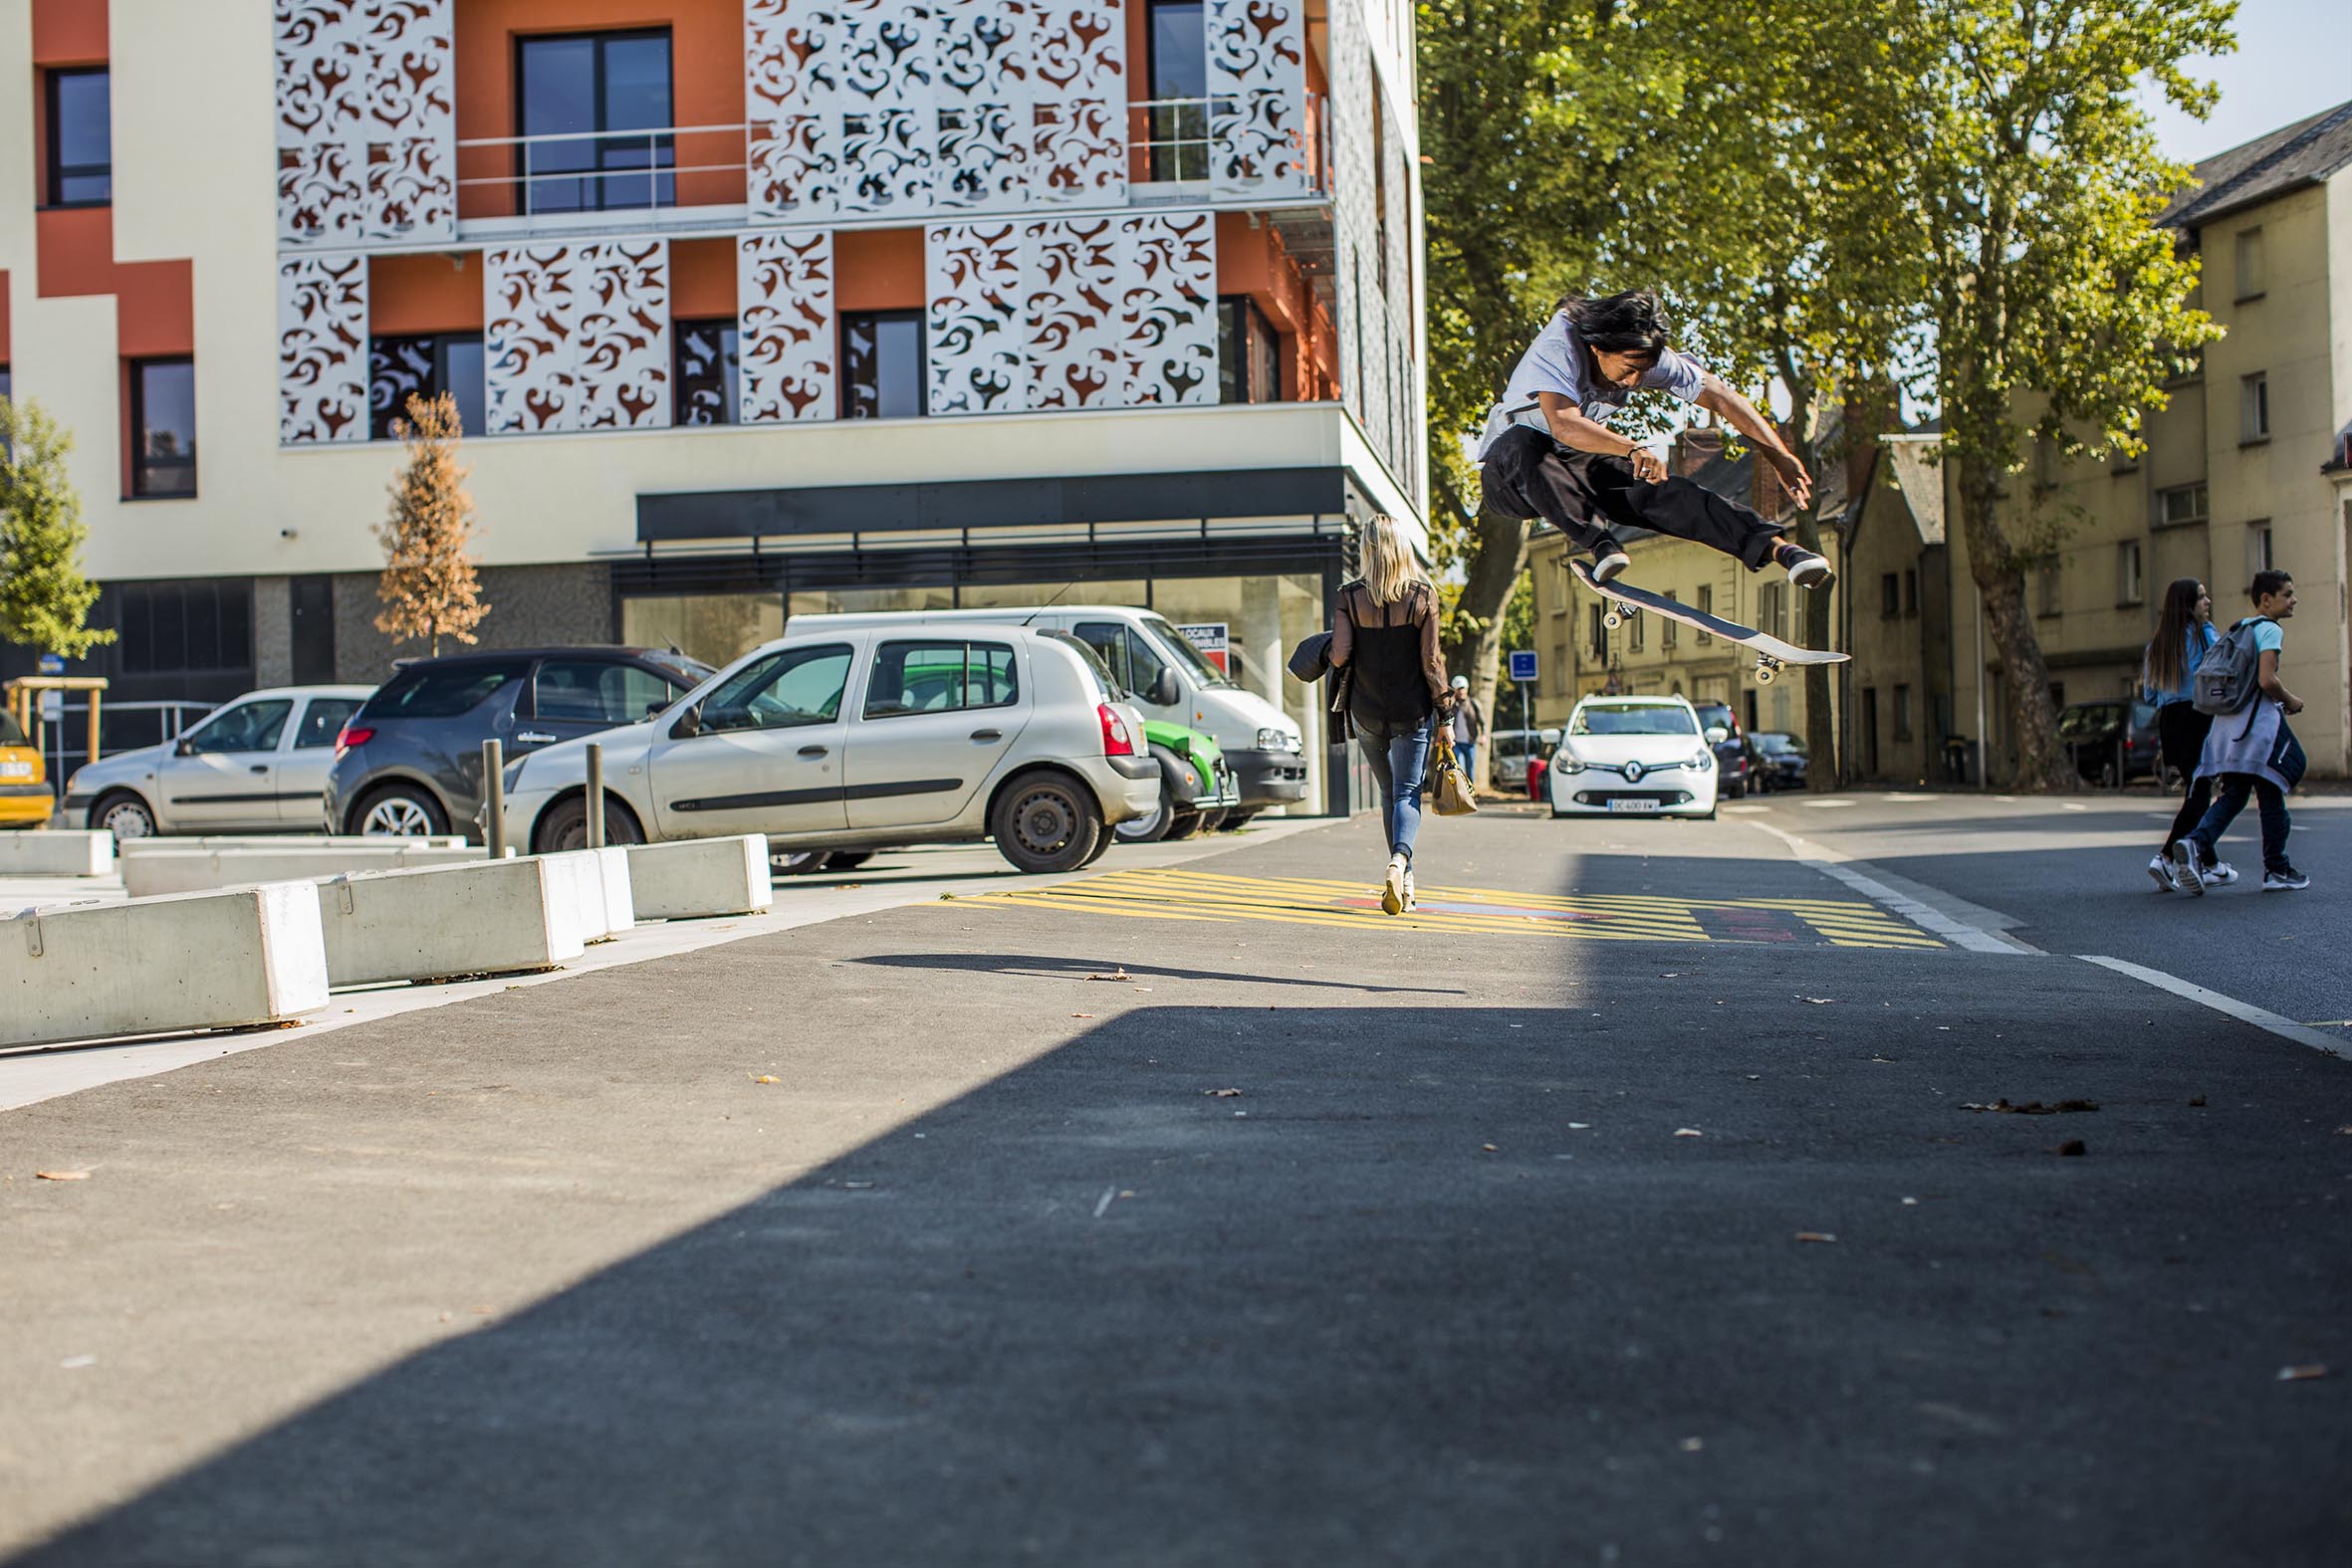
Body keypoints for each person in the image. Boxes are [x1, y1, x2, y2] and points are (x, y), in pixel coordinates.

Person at [1478, 291, 1833, 590]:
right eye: (1628, 370)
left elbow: (1723, 398)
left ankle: (1780, 550)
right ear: (1598, 348)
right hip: (1509, 476)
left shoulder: (1642, 352)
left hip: (1575, 461)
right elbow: (1563, 424)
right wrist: (1631, 448)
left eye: (1642, 373)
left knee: (1662, 490)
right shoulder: (1560, 346)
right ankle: (1600, 544)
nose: (1633, 382)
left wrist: (1780, 455)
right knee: (1526, 444)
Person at [1329, 515, 1455, 915]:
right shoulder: (1422, 596)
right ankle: (1400, 861)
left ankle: (1407, 880)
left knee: (1389, 793)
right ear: (1402, 548)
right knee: (1406, 793)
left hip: (1366, 710)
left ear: (1367, 549)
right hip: (1412, 711)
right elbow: (1432, 662)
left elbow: (1340, 654)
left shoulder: (1349, 596)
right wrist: (1446, 716)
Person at [2173, 570, 2309, 894]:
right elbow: (2266, 680)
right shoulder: (2270, 630)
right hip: (2257, 729)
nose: (2293, 600)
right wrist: (2291, 700)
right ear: (2266, 599)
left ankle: (2194, 843)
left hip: (2227, 729)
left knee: (2234, 795)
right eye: (2287, 594)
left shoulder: (2240, 628)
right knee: (2274, 791)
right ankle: (2277, 869)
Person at [2139, 577, 2227, 891]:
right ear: (2188, 605)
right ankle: (2164, 857)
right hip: (2198, 717)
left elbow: (2149, 695)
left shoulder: (2157, 646)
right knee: (2201, 791)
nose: (2208, 602)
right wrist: (2206, 627)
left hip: (2170, 721)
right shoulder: (2203, 637)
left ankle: (2212, 863)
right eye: (2201, 598)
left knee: (2197, 787)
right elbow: (2222, 666)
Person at [1448, 675, 1486, 785]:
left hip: (1470, 742)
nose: (1461, 691)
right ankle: (1461, 790)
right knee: (1459, 766)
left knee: (1470, 768)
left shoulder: (1473, 704)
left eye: (1463, 688)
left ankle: (1470, 790)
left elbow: (1482, 721)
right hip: (1456, 742)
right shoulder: (1451, 705)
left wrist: (1483, 735)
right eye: (1458, 689)